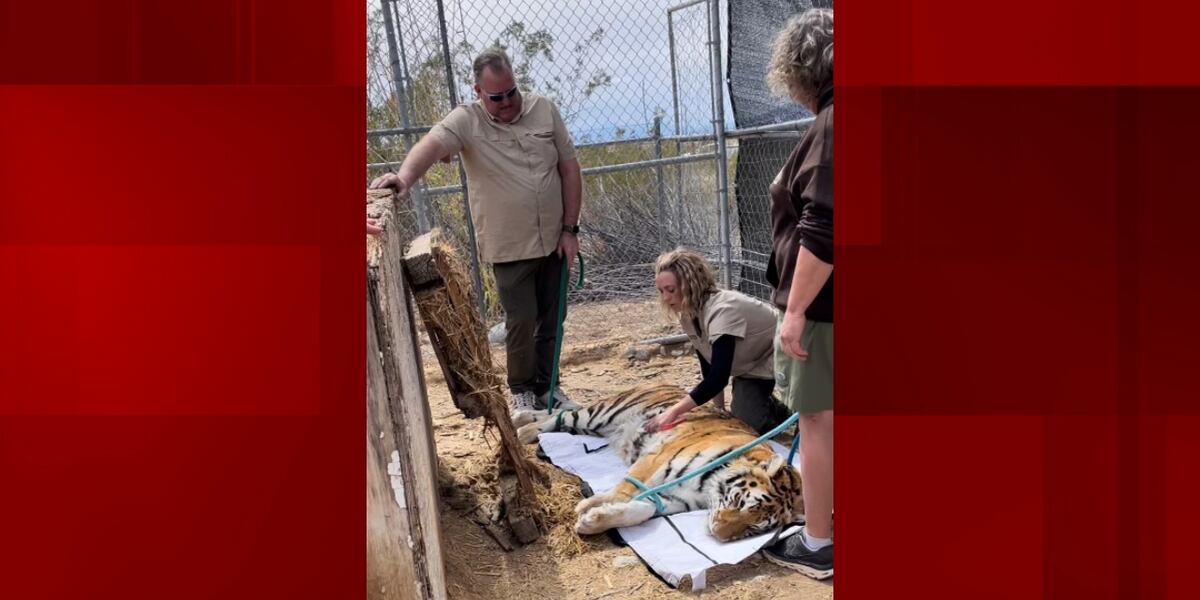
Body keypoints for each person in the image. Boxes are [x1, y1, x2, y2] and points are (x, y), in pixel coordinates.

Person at [369, 48, 583, 419]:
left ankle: (549, 387)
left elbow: (569, 169)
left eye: (511, 92)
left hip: (554, 238)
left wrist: (570, 229)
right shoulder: (466, 121)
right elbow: (431, 146)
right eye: (496, 97)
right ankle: (522, 393)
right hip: (509, 245)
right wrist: (402, 178)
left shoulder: (544, 109)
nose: (506, 102)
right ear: (478, 92)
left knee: (553, 318)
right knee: (521, 321)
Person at [759, 8, 835, 580]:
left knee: (817, 421)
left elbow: (824, 229)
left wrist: (796, 312)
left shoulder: (833, 125)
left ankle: (817, 542)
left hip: (825, 310)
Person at [643, 249, 792, 435]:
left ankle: (795, 412)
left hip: (786, 357)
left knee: (807, 421)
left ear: (690, 284)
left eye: (671, 290)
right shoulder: (689, 314)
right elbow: (709, 366)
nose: (665, 297)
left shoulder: (722, 310)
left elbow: (719, 378)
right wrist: (719, 410)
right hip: (752, 367)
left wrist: (673, 412)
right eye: (661, 291)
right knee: (746, 421)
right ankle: (776, 410)